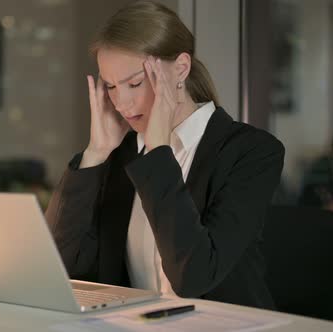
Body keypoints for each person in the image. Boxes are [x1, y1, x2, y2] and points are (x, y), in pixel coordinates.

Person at [45, 0, 285, 309]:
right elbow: (63, 271)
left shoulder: (251, 152)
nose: (122, 104)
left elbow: (194, 277)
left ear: (181, 69)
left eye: (135, 83)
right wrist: (95, 155)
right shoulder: (124, 156)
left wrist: (159, 153)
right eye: (111, 87)